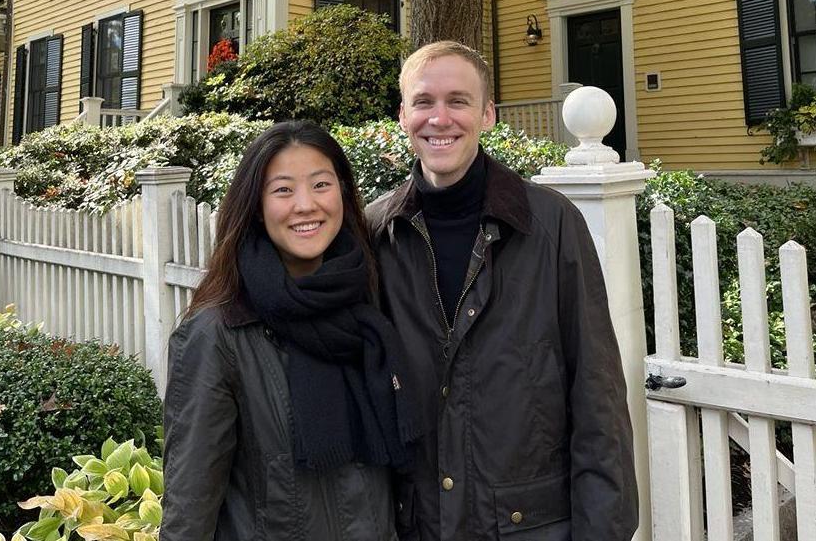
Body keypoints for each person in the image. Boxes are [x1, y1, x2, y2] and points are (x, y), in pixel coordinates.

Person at [366, 42, 638, 541]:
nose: (440, 118)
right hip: (416, 522)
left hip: (530, 525)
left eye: (459, 101)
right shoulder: (378, 232)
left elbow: (597, 391)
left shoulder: (551, 225)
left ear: (488, 114)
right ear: (403, 115)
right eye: (424, 102)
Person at [161, 120, 422, 541]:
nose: (306, 205)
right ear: (256, 206)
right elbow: (190, 506)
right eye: (283, 190)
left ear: (342, 192)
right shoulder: (219, 333)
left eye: (321, 184)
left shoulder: (368, 307)